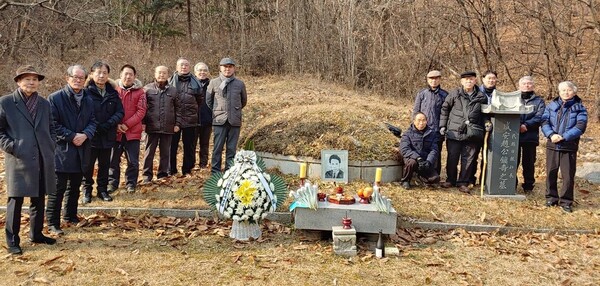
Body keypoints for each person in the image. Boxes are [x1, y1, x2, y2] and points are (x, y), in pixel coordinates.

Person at [1, 65, 57, 254]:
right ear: (18, 81)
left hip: (42, 157)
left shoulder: (44, 103)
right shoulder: (6, 102)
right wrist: (13, 147)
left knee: (38, 198)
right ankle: (12, 240)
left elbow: (51, 127)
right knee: (15, 201)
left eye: (34, 79)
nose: (31, 82)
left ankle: (36, 234)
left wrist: (51, 145)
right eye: (27, 79)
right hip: (19, 158)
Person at [47, 65, 96, 235]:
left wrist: (85, 134)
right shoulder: (55, 98)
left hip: (82, 147)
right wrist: (71, 135)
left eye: (81, 78)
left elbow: (93, 121)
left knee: (75, 185)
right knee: (58, 187)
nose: (78, 80)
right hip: (62, 148)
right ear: (67, 78)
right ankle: (52, 222)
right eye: (75, 77)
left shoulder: (88, 99)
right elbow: (52, 123)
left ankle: (70, 215)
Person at [541, 81, 587, 213]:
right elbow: (544, 121)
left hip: (569, 145)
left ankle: (566, 201)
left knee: (567, 175)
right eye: (563, 90)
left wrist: (564, 136)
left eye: (569, 90)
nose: (566, 93)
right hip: (552, 143)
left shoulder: (580, 108)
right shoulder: (552, 105)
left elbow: (580, 126)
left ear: (574, 91)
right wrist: (550, 134)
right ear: (559, 92)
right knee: (551, 172)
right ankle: (551, 198)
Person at [81, 61, 124, 203]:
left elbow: (120, 112)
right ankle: (86, 191)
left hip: (108, 134)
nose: (101, 75)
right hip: (91, 135)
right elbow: (83, 113)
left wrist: (109, 123)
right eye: (98, 72)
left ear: (108, 75)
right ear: (92, 74)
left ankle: (102, 190)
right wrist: (95, 125)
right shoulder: (85, 92)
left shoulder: (113, 92)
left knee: (105, 165)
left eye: (104, 73)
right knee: (88, 165)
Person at [439, 71, 487, 194]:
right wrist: (443, 126)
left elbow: (485, 115)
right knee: (452, 157)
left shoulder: (481, 97)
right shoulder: (454, 94)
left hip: (472, 133)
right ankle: (451, 179)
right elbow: (445, 109)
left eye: (471, 79)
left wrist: (486, 124)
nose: (468, 82)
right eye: (466, 80)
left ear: (475, 81)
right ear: (461, 82)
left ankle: (463, 182)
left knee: (469, 159)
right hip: (454, 131)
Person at [109, 64, 146, 193]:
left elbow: (141, 111)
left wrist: (127, 125)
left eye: (131, 74)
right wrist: (117, 125)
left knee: (133, 161)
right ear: (120, 75)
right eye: (126, 73)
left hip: (133, 132)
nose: (128, 76)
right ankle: (112, 183)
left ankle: (131, 183)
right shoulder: (113, 90)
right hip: (116, 131)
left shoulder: (140, 92)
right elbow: (109, 110)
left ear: (135, 76)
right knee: (113, 160)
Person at [206, 58, 247, 174]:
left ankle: (230, 172)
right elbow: (209, 101)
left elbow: (243, 101)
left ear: (234, 68)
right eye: (225, 67)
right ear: (220, 68)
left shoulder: (239, 84)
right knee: (217, 148)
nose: (227, 69)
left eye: (230, 67)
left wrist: (234, 111)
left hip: (234, 121)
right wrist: (218, 111)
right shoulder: (214, 82)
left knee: (231, 149)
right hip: (219, 120)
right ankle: (215, 172)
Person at [142, 66, 181, 183]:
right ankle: (146, 176)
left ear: (168, 75)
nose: (161, 75)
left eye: (164, 73)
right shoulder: (147, 89)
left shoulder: (173, 90)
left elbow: (178, 109)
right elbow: (142, 108)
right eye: (159, 73)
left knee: (165, 152)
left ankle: (162, 175)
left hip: (168, 126)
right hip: (151, 126)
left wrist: (177, 123)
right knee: (149, 152)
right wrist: (143, 123)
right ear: (155, 74)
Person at [168, 58, 202, 176]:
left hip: (190, 119)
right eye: (181, 65)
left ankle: (187, 169)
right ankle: (171, 170)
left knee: (189, 146)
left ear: (189, 67)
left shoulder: (195, 82)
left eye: (186, 65)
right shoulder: (169, 81)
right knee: (172, 146)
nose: (184, 67)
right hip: (173, 120)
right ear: (177, 67)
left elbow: (200, 100)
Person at [412, 70, 448, 175]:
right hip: (422, 128)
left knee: (436, 153)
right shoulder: (422, 94)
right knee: (421, 151)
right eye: (431, 79)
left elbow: (446, 113)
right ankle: (421, 174)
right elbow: (416, 111)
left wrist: (443, 127)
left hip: (437, 130)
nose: (434, 81)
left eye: (436, 78)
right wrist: (416, 125)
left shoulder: (444, 95)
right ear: (428, 80)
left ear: (440, 79)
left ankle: (434, 175)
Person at [516, 76, 545, 193]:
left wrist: (526, 125)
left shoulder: (539, 101)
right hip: (514, 134)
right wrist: (517, 125)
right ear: (519, 86)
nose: (526, 85)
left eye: (529, 83)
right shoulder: (513, 98)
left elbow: (540, 116)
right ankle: (511, 183)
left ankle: (528, 186)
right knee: (513, 161)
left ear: (533, 86)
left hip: (530, 135)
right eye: (524, 83)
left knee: (529, 162)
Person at [470, 70, 498, 185]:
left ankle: (484, 180)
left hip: (493, 129)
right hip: (476, 127)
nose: (491, 80)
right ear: (483, 79)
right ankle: (470, 179)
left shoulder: (499, 94)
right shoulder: (476, 92)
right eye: (489, 78)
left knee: (488, 156)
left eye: (493, 78)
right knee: (473, 155)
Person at [400, 113, 440, 189]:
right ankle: (405, 180)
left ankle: (421, 178)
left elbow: (434, 150)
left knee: (435, 179)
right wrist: (417, 158)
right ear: (414, 121)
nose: (421, 123)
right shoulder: (407, 134)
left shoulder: (432, 134)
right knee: (411, 163)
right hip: (413, 159)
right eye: (419, 120)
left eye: (423, 120)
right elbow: (405, 149)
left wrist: (428, 161)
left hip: (425, 161)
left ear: (426, 121)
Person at [194, 62, 212, 169]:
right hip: (193, 119)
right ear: (195, 72)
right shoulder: (191, 83)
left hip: (207, 119)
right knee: (191, 144)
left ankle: (203, 164)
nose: (202, 72)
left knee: (204, 144)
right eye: (200, 70)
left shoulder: (212, 84)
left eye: (205, 70)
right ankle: (190, 165)